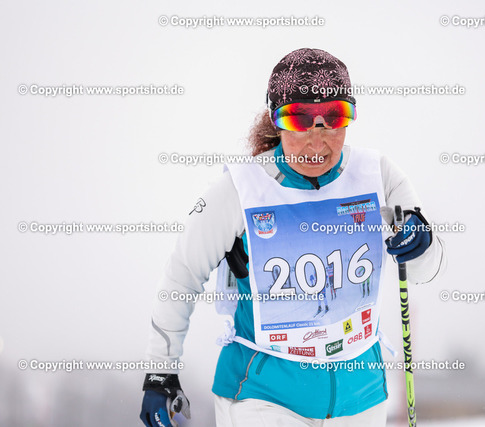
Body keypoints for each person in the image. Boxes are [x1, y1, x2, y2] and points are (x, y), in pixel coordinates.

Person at [139, 48, 445, 427]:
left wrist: (421, 242)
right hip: (263, 397)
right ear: (276, 120)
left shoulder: (377, 176)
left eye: (333, 118)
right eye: (299, 120)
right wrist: (160, 372)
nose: (317, 142)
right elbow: (181, 275)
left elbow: (425, 270)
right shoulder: (240, 190)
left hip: (362, 397)